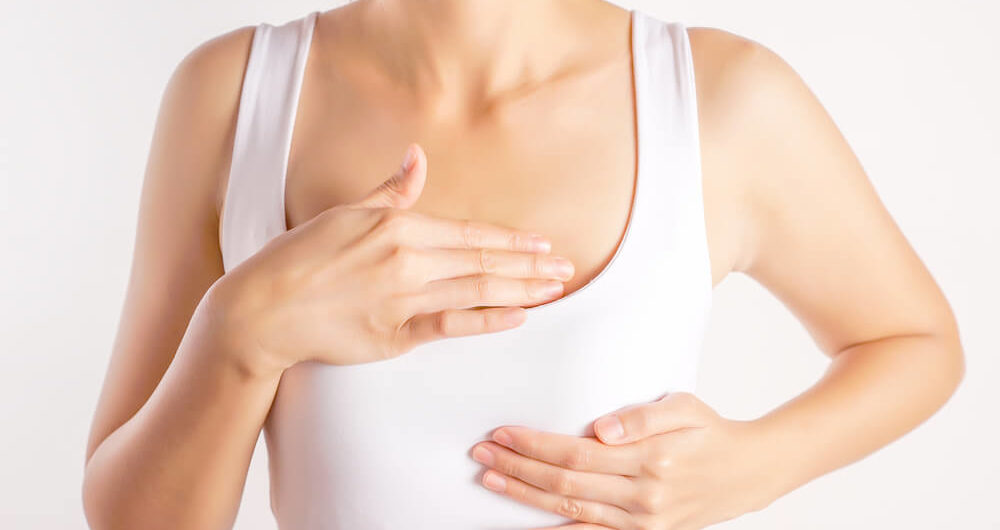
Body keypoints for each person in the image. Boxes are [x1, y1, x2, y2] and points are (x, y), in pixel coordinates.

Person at [81, 1, 965, 529]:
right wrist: (239, 337)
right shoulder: (234, 96)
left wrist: (755, 464)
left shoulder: (719, 97)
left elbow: (916, 341)